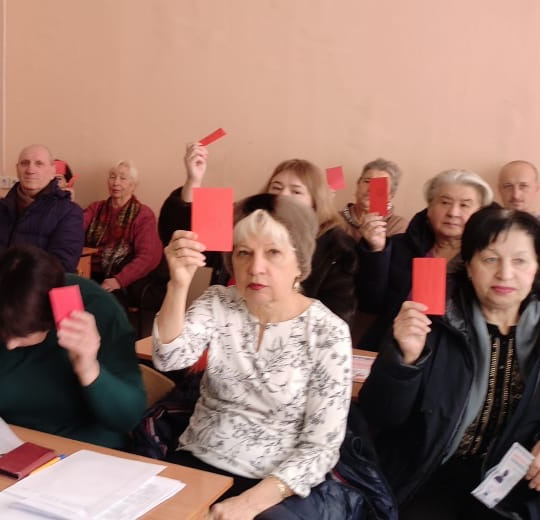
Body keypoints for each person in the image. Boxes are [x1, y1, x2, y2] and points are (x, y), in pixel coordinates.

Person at [358, 207, 540, 519]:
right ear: (469, 265)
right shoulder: (431, 320)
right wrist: (404, 360)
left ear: (537, 267)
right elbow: (380, 415)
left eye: (520, 261)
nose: (505, 273)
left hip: (521, 485)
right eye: (490, 259)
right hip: (429, 474)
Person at [154, 193, 352, 518]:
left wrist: (247, 505)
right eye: (243, 253)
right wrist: (178, 284)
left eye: (273, 253)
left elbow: (321, 447)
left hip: (276, 483)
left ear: (300, 264)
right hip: (198, 461)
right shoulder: (218, 302)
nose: (255, 268)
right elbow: (169, 358)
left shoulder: (327, 332)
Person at [0, 245, 146, 449]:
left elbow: (129, 417)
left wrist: (89, 369)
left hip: (83, 452)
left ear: (51, 321)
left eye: (21, 336)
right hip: (0, 448)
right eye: (0, 333)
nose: (9, 345)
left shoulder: (98, 308)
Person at [161, 144, 358, 322]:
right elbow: (184, 236)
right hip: (225, 329)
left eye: (296, 191)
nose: (282, 196)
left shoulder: (336, 245)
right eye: (276, 188)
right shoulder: (243, 225)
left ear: (315, 202)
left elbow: (336, 316)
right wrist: (193, 180)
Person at [355, 169, 494, 349]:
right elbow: (370, 303)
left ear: (480, 213)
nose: (453, 212)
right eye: (445, 202)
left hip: (454, 354)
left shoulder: (488, 259)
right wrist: (376, 250)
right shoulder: (399, 247)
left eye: (465, 205)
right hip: (390, 347)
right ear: (429, 207)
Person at [0, 145, 84, 272]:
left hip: (35, 286)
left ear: (52, 172)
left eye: (39, 164)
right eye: (24, 163)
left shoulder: (70, 212)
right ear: (17, 169)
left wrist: (9, 277)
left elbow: (62, 267)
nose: (30, 170)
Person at [82, 160, 161, 304]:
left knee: (100, 303)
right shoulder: (95, 208)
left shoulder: (143, 214)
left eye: (123, 178)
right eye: (112, 177)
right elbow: (73, 229)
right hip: (87, 272)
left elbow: (148, 257)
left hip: (121, 279)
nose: (116, 182)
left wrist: (119, 280)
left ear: (133, 185)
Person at [340, 158, 409, 242]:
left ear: (390, 195)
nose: (371, 189)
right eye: (367, 181)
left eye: (380, 185)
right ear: (358, 184)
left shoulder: (397, 225)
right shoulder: (334, 220)